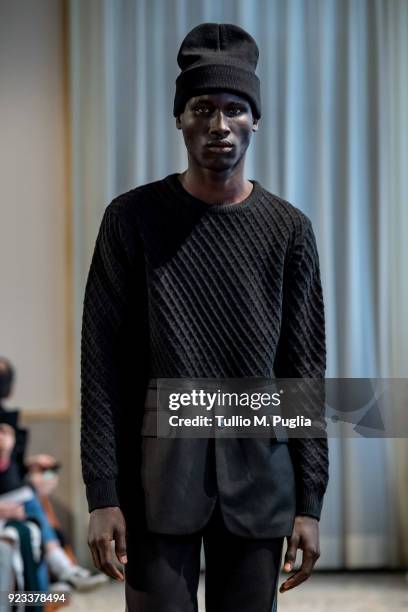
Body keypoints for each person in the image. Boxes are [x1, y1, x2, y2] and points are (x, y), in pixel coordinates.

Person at [81, 23, 329, 612]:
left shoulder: (288, 229)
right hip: (153, 478)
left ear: (255, 120)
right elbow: (101, 363)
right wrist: (102, 493)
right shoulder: (132, 218)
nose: (220, 124)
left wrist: (309, 502)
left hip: (261, 473)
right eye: (203, 108)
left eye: (235, 109)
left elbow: (304, 370)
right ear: (180, 119)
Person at [0, 359, 108, 593]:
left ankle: (52, 581)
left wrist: (28, 465)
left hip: (14, 502)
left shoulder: (7, 424)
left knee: (33, 521)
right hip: (9, 507)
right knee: (28, 521)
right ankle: (59, 574)